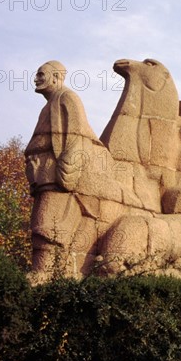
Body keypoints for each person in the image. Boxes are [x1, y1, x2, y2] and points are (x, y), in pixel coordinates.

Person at [24, 60, 107, 279]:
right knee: (41, 225)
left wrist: (67, 174)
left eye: (41, 74)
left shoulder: (67, 98)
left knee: (47, 225)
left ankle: (44, 275)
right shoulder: (48, 106)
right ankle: (47, 274)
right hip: (43, 177)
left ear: (55, 77)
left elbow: (77, 140)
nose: (37, 78)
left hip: (56, 178)